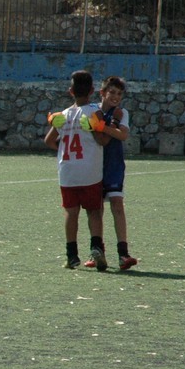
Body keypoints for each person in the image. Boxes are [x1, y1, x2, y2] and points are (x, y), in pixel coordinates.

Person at [44, 70, 109, 270]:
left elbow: (49, 141)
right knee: (94, 211)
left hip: (68, 172)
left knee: (71, 213)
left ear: (70, 91)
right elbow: (102, 140)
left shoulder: (62, 115)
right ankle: (96, 247)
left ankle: (71, 255)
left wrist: (63, 148)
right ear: (92, 91)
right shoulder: (95, 112)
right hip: (90, 171)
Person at [84, 76, 138, 271]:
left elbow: (122, 135)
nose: (116, 97)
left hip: (113, 166)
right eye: (112, 92)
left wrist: (102, 127)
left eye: (119, 94)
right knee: (95, 209)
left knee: (117, 204)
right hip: (93, 166)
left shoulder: (121, 113)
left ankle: (123, 253)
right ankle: (96, 251)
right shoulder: (92, 111)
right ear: (102, 93)